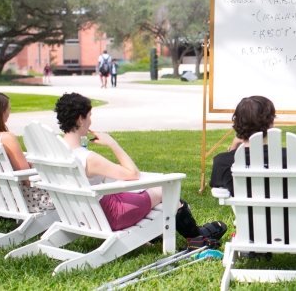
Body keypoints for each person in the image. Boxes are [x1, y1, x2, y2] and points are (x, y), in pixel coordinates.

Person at [54, 92, 225, 247]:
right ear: (80, 119)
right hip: (109, 215)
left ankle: (153, 234)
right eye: (89, 116)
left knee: (136, 191)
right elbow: (133, 174)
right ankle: (196, 236)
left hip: (80, 213)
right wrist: (112, 143)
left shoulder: (55, 151)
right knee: (164, 191)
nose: (91, 121)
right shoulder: (88, 159)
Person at [210, 95, 296, 195]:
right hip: (295, 224)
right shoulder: (290, 156)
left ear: (237, 122)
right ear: (270, 124)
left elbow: (221, 185)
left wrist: (234, 146)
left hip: (251, 224)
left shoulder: (222, 161)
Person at [0, 92, 54, 213]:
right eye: (8, 109)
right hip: (23, 201)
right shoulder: (6, 138)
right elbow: (27, 178)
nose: (9, 113)